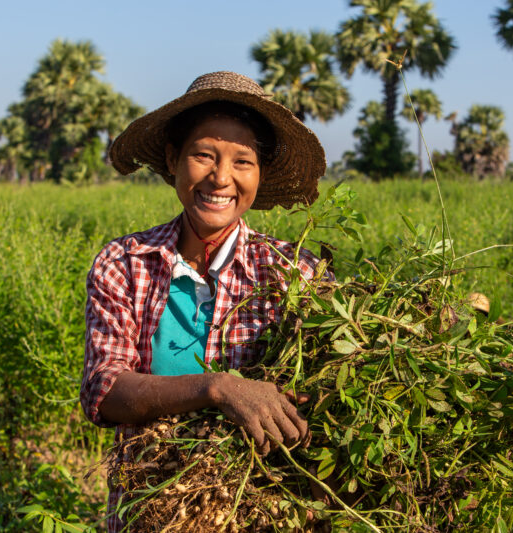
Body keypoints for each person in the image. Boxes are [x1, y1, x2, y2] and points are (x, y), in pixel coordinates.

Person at [80, 71, 329, 532]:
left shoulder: (296, 274)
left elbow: (322, 400)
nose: (221, 178)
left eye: (243, 161)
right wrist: (216, 388)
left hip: (261, 513)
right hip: (148, 510)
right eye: (203, 155)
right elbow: (105, 390)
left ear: (261, 174)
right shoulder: (125, 262)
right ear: (174, 159)